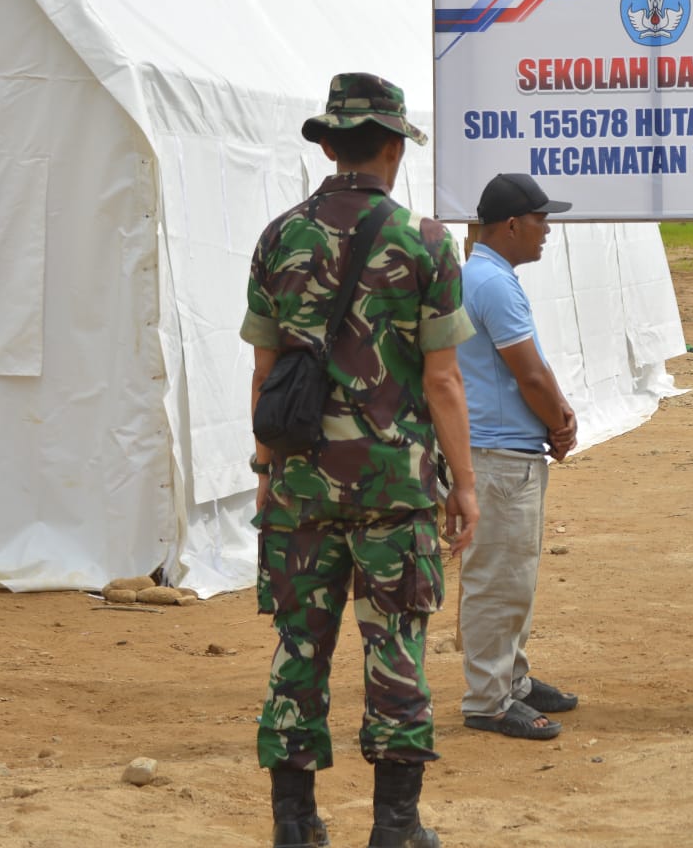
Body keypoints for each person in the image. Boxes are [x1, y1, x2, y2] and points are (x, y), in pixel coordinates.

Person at [242, 73, 479, 848]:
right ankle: (395, 826)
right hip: (393, 489)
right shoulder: (427, 240)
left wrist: (267, 470)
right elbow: (442, 379)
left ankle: (295, 823)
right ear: (388, 146)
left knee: (299, 649)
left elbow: (266, 374)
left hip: (302, 484)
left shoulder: (279, 236)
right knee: (396, 646)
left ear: (330, 144)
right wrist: (464, 484)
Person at [456, 172, 580, 740]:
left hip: (501, 449)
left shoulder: (482, 276)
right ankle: (489, 697)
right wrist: (559, 422)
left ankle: (512, 681)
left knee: (512, 578)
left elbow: (531, 366)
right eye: (540, 220)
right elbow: (527, 372)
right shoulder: (494, 283)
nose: (546, 232)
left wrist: (557, 416)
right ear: (511, 225)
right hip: (499, 454)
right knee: (497, 579)